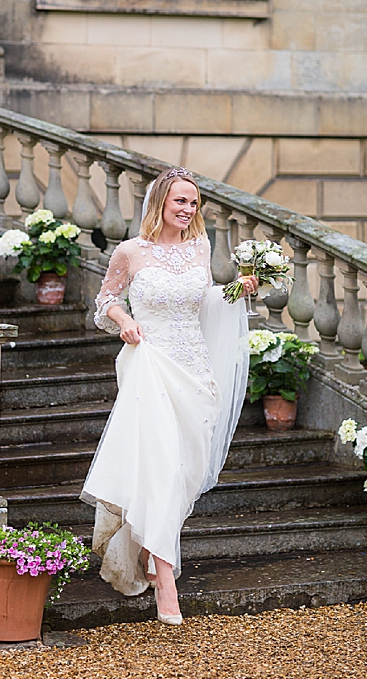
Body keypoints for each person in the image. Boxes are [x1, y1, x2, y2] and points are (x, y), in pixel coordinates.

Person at [80, 168, 257, 624]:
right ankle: (167, 585)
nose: (187, 209)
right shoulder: (130, 252)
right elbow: (105, 301)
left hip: (195, 370)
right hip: (150, 363)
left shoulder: (201, 247)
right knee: (158, 467)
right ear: (160, 202)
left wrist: (239, 288)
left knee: (183, 474)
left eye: (194, 203)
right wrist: (124, 321)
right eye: (180, 201)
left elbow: (205, 303)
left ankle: (146, 550)